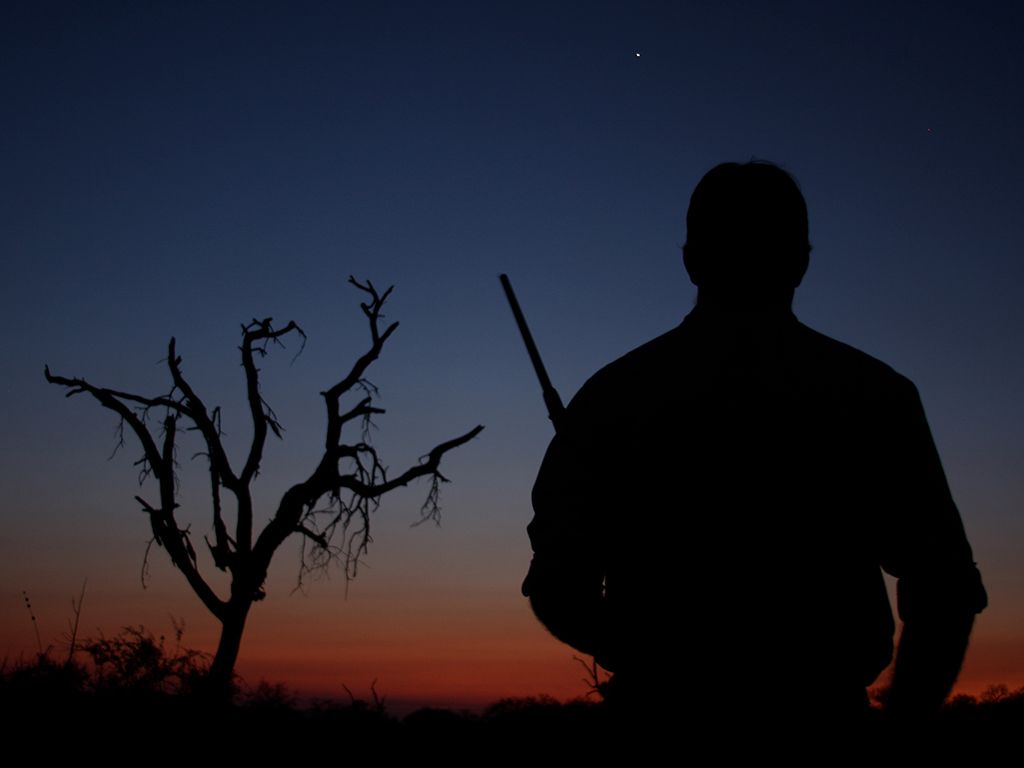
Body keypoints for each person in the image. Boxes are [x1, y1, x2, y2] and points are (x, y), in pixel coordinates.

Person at [523, 161, 986, 725]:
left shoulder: (614, 396)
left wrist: (651, 651)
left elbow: (557, 583)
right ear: (802, 261)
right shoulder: (872, 393)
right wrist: (904, 723)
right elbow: (944, 586)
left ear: (690, 260)